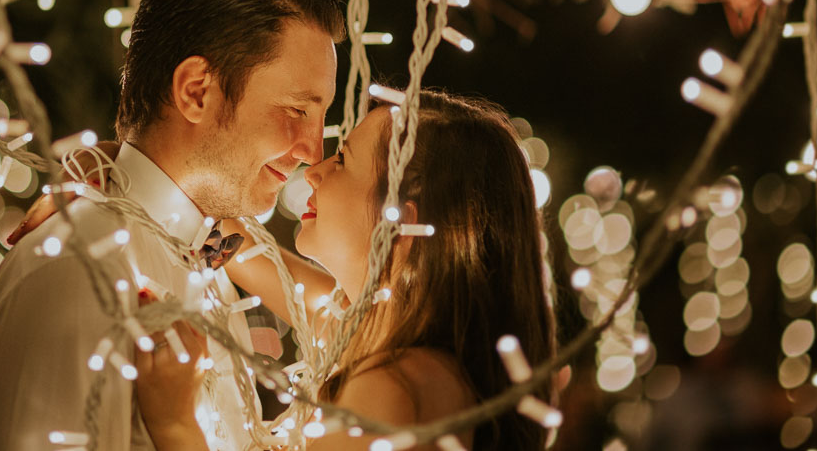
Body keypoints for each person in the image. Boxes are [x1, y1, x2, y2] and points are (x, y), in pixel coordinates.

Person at [0, 0, 346, 451]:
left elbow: (357, 320)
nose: (311, 150)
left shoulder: (206, 260)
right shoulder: (83, 272)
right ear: (196, 92)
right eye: (296, 110)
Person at [134, 90, 557, 451]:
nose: (314, 172)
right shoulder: (376, 339)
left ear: (399, 224)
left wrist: (175, 424)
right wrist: (127, 174)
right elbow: (242, 251)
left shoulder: (393, 391)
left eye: (342, 160)